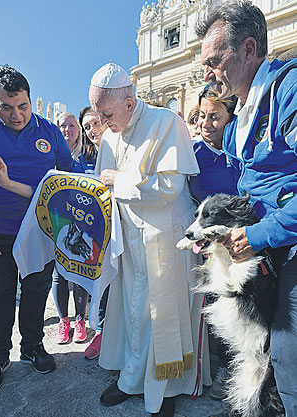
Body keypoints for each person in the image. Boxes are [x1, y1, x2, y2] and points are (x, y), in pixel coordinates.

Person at [90, 62, 211, 417]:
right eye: (98, 114)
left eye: (107, 113)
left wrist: (118, 182)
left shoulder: (165, 122)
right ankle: (131, 378)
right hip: (129, 240)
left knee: (160, 315)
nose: (103, 123)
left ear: (129, 103)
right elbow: (102, 185)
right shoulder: (111, 134)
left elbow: (170, 188)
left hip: (166, 239)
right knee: (132, 312)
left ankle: (165, 387)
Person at [196, 1, 297, 416]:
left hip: (288, 242)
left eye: (215, 61)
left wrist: (255, 235)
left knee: (287, 352)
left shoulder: (288, 91)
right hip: (266, 244)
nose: (207, 74)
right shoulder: (238, 123)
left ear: (249, 50)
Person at [0, 65, 73, 391]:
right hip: (0, 232)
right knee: (0, 295)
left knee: (36, 291)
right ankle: (0, 354)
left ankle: (32, 346)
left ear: (30, 100)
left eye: (23, 106)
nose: (17, 115)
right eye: (6, 107)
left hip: (41, 231)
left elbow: (70, 178)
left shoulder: (50, 132)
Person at [188, 86, 238, 403]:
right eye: (202, 115)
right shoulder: (193, 153)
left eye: (214, 116)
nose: (206, 123)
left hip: (253, 241)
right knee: (222, 309)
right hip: (215, 249)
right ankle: (224, 369)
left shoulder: (244, 148)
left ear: (231, 118)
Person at [52, 112, 96, 344]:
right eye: (62, 125)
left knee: (79, 273)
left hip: (84, 224)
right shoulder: (50, 154)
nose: (67, 129)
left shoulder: (88, 156)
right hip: (59, 223)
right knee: (59, 274)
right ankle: (63, 321)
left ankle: (80, 319)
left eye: (72, 125)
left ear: (78, 130)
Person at [78, 106, 109, 360]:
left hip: (120, 230)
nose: (92, 130)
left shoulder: (121, 146)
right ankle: (99, 332)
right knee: (99, 283)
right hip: (95, 231)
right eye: (86, 127)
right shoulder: (86, 158)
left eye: (95, 123)